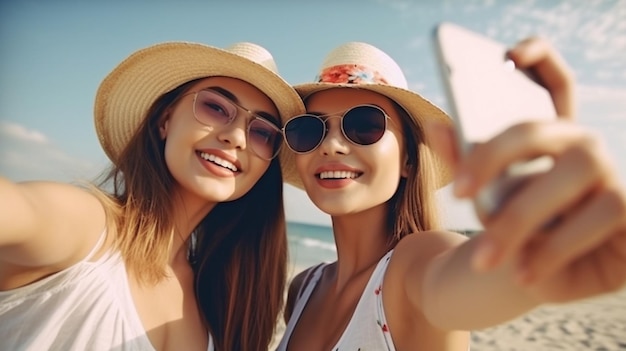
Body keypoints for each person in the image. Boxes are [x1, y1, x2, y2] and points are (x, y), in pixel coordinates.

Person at [276, 39, 626, 350]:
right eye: (310, 129)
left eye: (364, 125)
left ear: (408, 159)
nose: (332, 145)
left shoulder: (415, 262)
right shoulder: (304, 288)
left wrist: (534, 258)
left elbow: (459, 284)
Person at [0, 41, 305, 351]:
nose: (237, 136)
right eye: (215, 107)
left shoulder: (223, 302)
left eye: (262, 132)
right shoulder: (87, 228)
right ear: (165, 120)